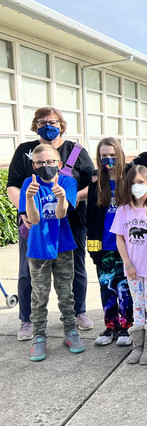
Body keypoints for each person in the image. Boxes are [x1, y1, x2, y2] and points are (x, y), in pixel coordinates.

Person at [7, 107, 95, 340]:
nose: (48, 125)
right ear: (35, 124)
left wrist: (69, 198)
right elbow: (13, 185)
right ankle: (27, 320)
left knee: (75, 268)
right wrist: (23, 209)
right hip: (34, 221)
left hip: (71, 220)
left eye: (53, 121)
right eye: (42, 121)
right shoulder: (25, 151)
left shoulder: (75, 151)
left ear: (62, 124)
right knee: (29, 270)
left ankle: (78, 312)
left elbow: (92, 182)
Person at [20, 144, 85, 361]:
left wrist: (61, 197)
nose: (45, 166)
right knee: (39, 296)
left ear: (58, 164)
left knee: (66, 293)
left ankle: (70, 331)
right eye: (40, 163)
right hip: (38, 250)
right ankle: (39, 337)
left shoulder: (68, 182)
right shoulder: (29, 183)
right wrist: (29, 198)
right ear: (34, 165)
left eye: (49, 162)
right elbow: (35, 220)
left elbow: (61, 214)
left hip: (63, 247)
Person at [110, 165, 147, 365]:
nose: (137, 186)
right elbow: (120, 239)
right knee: (138, 305)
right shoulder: (123, 210)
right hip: (132, 269)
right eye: (133, 183)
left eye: (140, 182)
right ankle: (138, 346)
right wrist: (127, 264)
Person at [86, 137, 134, 346]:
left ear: (120, 155)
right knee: (107, 286)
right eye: (104, 156)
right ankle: (110, 326)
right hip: (103, 245)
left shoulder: (131, 178)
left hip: (127, 246)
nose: (108, 159)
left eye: (112, 155)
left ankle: (127, 326)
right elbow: (91, 217)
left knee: (125, 288)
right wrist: (93, 248)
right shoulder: (97, 182)